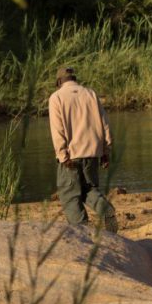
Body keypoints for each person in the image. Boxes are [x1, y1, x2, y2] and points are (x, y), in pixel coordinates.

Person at [49, 66, 118, 231]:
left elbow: (57, 130)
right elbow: (104, 124)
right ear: (74, 79)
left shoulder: (56, 97)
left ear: (59, 81)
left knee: (69, 194)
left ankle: (83, 230)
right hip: (93, 153)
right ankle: (104, 209)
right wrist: (106, 151)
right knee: (89, 188)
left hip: (71, 155)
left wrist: (62, 155)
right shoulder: (91, 94)